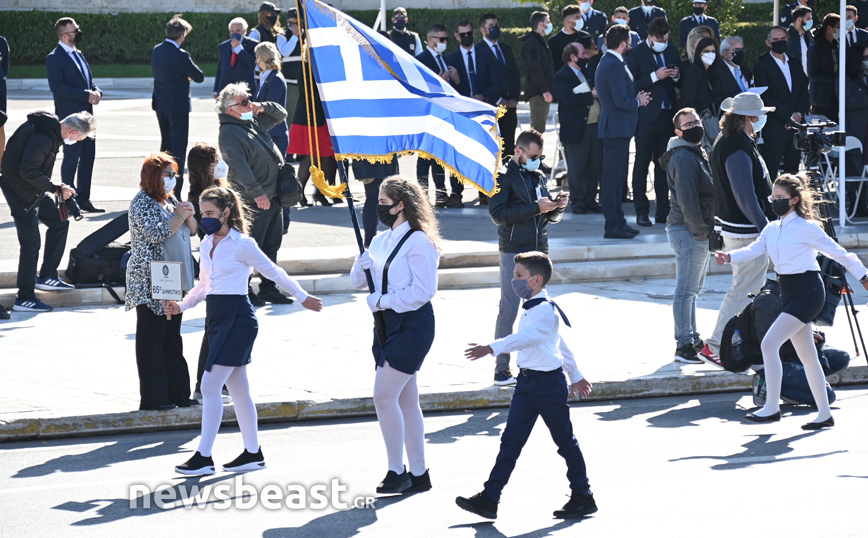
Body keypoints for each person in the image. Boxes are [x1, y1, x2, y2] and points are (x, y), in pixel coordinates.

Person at [166, 186, 323, 475]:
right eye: (202, 213)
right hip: (216, 317)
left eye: (210, 213)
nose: (205, 218)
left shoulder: (243, 244)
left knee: (209, 386)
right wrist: (182, 305)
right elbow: (204, 285)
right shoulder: (206, 243)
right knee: (239, 390)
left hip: (238, 318)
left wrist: (302, 297)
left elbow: (274, 271)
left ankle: (203, 456)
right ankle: (253, 453)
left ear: (226, 212)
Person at [715, 174, 868, 429]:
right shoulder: (772, 228)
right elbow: (754, 249)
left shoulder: (807, 228)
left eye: (780, 198)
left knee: (769, 344)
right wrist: (729, 257)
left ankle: (771, 408)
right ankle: (824, 415)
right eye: (773, 197)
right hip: (787, 292)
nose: (775, 201)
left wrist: (863, 276)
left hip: (808, 292)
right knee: (807, 356)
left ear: (794, 200)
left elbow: (840, 254)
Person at [456, 251, 595, 520]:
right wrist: (576, 374)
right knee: (510, 442)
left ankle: (583, 496)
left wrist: (491, 348)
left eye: (519, 275)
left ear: (536, 280)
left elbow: (526, 338)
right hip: (526, 383)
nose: (514, 280)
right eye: (514, 274)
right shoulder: (532, 306)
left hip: (548, 385)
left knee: (565, 442)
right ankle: (490, 498)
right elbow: (558, 343)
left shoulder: (545, 311)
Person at [350, 176, 440, 494]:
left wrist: (382, 301)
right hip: (385, 324)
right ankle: (419, 474)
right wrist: (360, 265)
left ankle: (396, 470)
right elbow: (358, 283)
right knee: (406, 399)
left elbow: (424, 291)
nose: (378, 207)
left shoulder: (420, 242)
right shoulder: (379, 241)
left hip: (412, 324)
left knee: (384, 396)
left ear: (401, 205)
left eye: (383, 202)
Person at [700, 92, 775, 366]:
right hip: (746, 231)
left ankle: (736, 343)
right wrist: (766, 228)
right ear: (749, 118)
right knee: (744, 290)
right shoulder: (736, 146)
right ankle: (716, 345)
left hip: (742, 229)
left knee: (747, 289)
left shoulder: (734, 141)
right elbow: (745, 196)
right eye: (760, 115)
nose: (762, 119)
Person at [488, 129, 568, 386]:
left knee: (540, 310)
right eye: (533, 156)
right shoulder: (502, 176)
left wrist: (557, 207)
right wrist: (536, 207)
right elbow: (498, 214)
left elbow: (546, 216)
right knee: (509, 308)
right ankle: (501, 369)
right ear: (518, 151)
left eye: (540, 156)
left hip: (539, 249)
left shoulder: (538, 175)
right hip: (515, 249)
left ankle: (539, 365)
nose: (537, 161)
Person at [0, 111, 94, 313]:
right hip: (20, 191)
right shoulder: (44, 137)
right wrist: (54, 188)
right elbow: (28, 171)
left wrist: (54, 187)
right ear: (73, 132)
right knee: (31, 243)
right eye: (78, 139)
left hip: (32, 188)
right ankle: (25, 298)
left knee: (60, 221)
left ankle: (47, 276)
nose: (75, 142)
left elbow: (32, 169)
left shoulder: (48, 130)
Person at [125, 152, 197, 411]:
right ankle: (154, 398)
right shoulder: (141, 202)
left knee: (171, 337)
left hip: (172, 278)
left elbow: (192, 230)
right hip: (149, 279)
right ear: (154, 175)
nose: (173, 179)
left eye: (175, 174)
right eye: (168, 174)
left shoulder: (170, 200)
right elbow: (157, 234)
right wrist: (179, 216)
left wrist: (188, 214)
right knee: (152, 338)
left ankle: (179, 394)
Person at [216, 82, 293, 306]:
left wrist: (262, 106)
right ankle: (244, 288)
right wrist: (258, 193)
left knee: (271, 245)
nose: (249, 104)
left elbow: (281, 115)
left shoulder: (252, 120)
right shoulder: (229, 132)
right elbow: (239, 168)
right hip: (254, 200)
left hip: (273, 195)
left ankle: (268, 287)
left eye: (248, 99)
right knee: (251, 247)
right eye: (244, 102)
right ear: (231, 109)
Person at [659, 108, 714, 364]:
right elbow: (687, 200)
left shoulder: (695, 152)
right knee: (686, 291)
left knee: (693, 290)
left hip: (693, 229)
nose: (695, 127)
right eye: (688, 124)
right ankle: (683, 345)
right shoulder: (683, 156)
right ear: (678, 132)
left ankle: (692, 338)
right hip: (688, 229)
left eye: (696, 122)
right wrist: (701, 231)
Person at [596, 24, 650, 239]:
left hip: (619, 128)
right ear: (622, 44)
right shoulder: (613, 65)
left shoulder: (614, 62)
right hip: (615, 129)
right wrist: (638, 101)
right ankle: (612, 224)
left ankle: (618, 221)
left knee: (617, 179)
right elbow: (621, 101)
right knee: (612, 180)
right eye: (629, 41)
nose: (631, 44)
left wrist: (636, 98)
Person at [46, 17, 104, 213]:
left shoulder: (78, 54)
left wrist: (96, 92)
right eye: (74, 31)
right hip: (70, 118)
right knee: (72, 157)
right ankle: (68, 201)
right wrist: (85, 95)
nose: (78, 33)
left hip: (87, 117)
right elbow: (57, 87)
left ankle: (84, 198)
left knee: (88, 156)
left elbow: (88, 81)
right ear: (64, 36)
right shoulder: (55, 57)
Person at [626, 17, 680, 227]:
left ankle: (663, 211)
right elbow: (630, 83)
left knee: (663, 164)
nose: (663, 43)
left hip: (667, 116)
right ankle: (641, 211)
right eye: (659, 40)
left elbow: (682, 80)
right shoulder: (637, 53)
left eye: (666, 39)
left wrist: (676, 76)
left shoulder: (671, 50)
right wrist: (655, 76)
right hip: (646, 117)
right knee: (641, 163)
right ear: (650, 37)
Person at [151, 15, 205, 197]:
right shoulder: (181, 55)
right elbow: (199, 76)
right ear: (181, 35)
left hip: (161, 104)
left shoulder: (157, 50)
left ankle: (160, 186)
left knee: (165, 147)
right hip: (178, 107)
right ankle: (175, 191)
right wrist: (185, 75)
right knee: (178, 150)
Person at [553, 41, 603, 215]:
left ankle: (590, 200)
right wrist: (591, 95)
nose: (586, 56)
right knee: (577, 167)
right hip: (576, 129)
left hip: (594, 126)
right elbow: (568, 99)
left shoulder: (587, 73)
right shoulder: (562, 76)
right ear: (573, 57)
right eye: (583, 54)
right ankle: (578, 202)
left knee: (594, 166)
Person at [753, 26, 810, 181]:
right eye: (775, 39)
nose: (780, 42)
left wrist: (798, 114)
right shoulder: (762, 65)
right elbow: (766, 96)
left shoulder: (795, 63)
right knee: (771, 169)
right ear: (768, 42)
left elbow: (804, 91)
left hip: (796, 126)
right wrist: (788, 116)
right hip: (775, 126)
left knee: (793, 171)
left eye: (783, 39)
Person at [416, 23, 460, 208]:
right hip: (428, 115)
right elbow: (419, 88)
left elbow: (454, 88)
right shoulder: (421, 60)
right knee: (425, 157)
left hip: (444, 115)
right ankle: (422, 196)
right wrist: (438, 84)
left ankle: (441, 194)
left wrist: (456, 79)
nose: (445, 43)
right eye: (442, 39)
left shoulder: (444, 59)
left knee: (439, 156)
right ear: (431, 40)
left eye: (446, 39)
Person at [287, 58, 340, 207]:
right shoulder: (306, 68)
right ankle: (300, 193)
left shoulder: (322, 65)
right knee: (312, 157)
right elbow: (311, 93)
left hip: (319, 117)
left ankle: (319, 193)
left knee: (325, 157)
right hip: (311, 118)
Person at [254, 42, 290, 234]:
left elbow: (272, 108)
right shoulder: (266, 77)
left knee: (278, 180)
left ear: (261, 58)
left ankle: (283, 221)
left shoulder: (275, 78)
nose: (256, 61)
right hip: (268, 134)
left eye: (257, 57)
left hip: (275, 135)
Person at [478, 13, 522, 162]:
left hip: (510, 107)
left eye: (496, 24)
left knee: (509, 146)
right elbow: (482, 80)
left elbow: (515, 75)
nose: (495, 28)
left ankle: (508, 174)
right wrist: (498, 99)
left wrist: (514, 98)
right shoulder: (479, 51)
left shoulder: (506, 48)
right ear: (483, 30)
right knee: (493, 147)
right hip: (492, 106)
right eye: (491, 26)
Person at [520, 11, 555, 133]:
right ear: (541, 24)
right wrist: (545, 90)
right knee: (537, 129)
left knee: (539, 128)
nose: (550, 24)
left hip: (541, 92)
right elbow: (535, 68)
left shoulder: (538, 41)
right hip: (538, 93)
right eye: (548, 22)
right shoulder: (532, 43)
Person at [351, 159, 400, 248]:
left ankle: (370, 242)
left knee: (375, 199)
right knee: (375, 199)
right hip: (376, 161)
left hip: (373, 160)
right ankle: (371, 242)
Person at [682, 38, 718, 151]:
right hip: (700, 120)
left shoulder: (710, 72)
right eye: (706, 51)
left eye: (713, 51)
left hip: (710, 119)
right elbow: (688, 99)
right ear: (699, 53)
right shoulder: (695, 71)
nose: (710, 54)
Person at [187, 142, 228, 238]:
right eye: (217, 160)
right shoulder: (199, 199)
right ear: (206, 167)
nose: (221, 162)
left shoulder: (219, 187)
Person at [212, 17, 258, 99]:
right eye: (232, 31)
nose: (234, 33)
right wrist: (216, 90)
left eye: (238, 31)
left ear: (244, 31)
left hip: (245, 89)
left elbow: (252, 63)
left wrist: (239, 49)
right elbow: (220, 69)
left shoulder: (253, 45)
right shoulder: (224, 46)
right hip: (226, 88)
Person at [807, 13, 841, 121]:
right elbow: (813, 74)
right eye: (838, 27)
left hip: (836, 95)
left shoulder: (837, 45)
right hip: (822, 98)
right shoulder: (816, 48)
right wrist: (835, 80)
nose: (840, 30)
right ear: (829, 28)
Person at [277, 8, 302, 149]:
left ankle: (300, 150)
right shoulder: (282, 36)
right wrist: (294, 36)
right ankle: (288, 150)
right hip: (291, 83)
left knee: (303, 119)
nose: (296, 26)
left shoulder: (307, 35)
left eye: (298, 23)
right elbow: (285, 52)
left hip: (305, 84)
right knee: (290, 118)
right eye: (293, 23)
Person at [548, 4, 589, 73]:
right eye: (577, 17)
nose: (581, 20)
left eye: (581, 17)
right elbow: (551, 66)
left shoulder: (585, 36)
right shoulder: (553, 41)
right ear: (568, 21)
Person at [714, 36, 753, 108]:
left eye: (742, 49)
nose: (740, 53)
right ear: (725, 53)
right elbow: (717, 97)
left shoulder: (746, 72)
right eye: (736, 50)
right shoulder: (716, 72)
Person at [788, 6, 814, 76]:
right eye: (808, 19)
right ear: (799, 20)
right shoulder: (787, 37)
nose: (811, 21)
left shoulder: (809, 36)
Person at [0, 35, 8, 169]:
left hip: (0, 91)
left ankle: (1, 162)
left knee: (0, 126)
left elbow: (5, 66)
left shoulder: (1, 42)